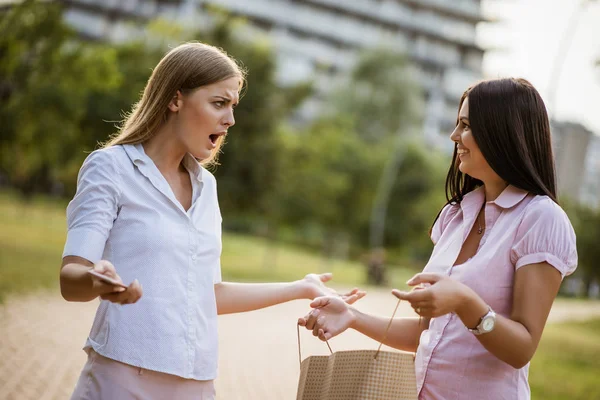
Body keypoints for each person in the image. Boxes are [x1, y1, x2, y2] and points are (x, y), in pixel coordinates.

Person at [59, 42, 365, 400]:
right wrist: (99, 281)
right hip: (122, 378)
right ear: (175, 100)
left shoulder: (207, 186)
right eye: (219, 103)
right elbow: (71, 278)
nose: (230, 120)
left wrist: (302, 286)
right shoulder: (110, 168)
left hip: (198, 385)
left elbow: (208, 294)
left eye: (233, 106)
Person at [299, 77, 577, 400]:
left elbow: (522, 348)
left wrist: (464, 301)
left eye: (465, 125)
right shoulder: (456, 215)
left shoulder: (540, 219)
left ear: (502, 133)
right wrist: (353, 317)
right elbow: (428, 334)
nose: (453, 135)